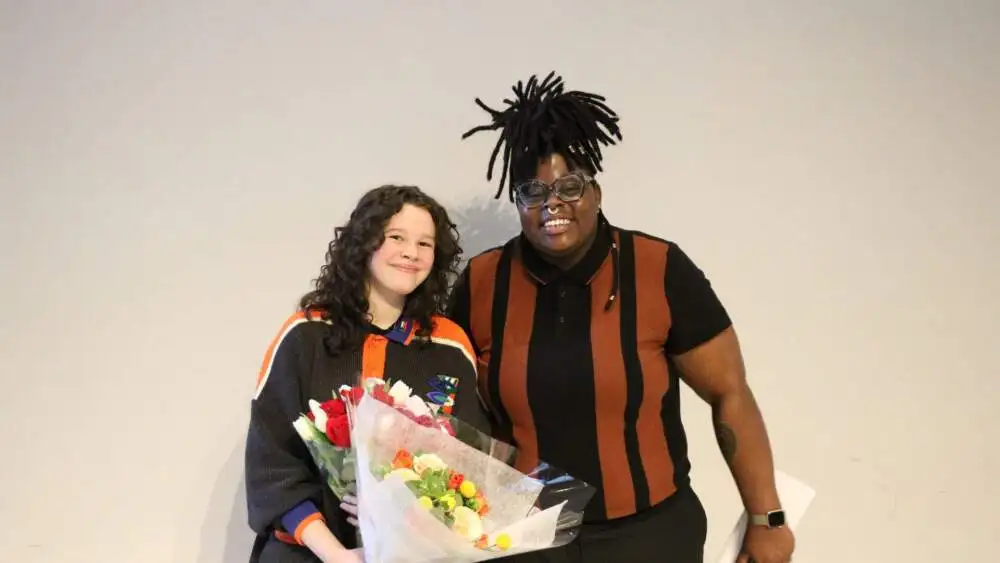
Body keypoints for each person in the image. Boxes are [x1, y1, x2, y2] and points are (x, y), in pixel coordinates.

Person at [448, 72, 796, 563]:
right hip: (523, 538)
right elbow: (446, 407)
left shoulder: (658, 268)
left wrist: (767, 519)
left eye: (569, 185)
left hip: (650, 535)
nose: (552, 203)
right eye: (532, 191)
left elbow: (729, 392)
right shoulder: (483, 282)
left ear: (595, 192)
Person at [244, 185, 489, 563]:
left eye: (425, 244)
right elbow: (273, 463)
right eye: (396, 237)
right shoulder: (305, 335)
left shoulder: (449, 347)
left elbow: (470, 464)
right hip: (309, 553)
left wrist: (414, 520)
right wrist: (336, 554)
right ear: (365, 242)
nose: (411, 252)